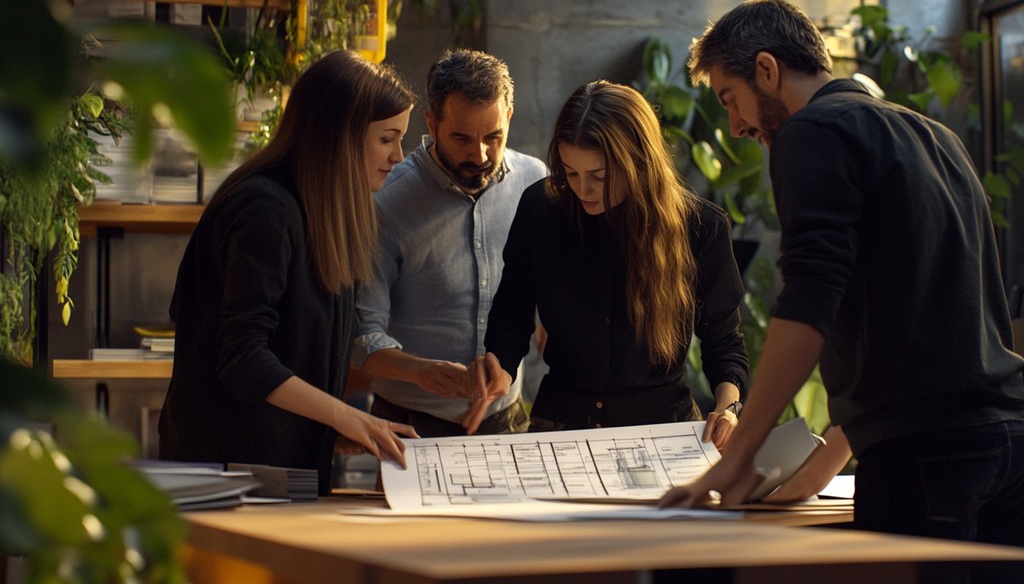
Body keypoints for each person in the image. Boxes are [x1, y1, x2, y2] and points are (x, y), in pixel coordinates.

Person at [658, 0, 1024, 584]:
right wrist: (829, 457)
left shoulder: (813, 132)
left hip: (924, 461)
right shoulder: (936, 137)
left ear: (768, 70)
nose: (735, 127)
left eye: (731, 98)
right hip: (1006, 443)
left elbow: (810, 297)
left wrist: (738, 454)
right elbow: (931, 319)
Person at [159, 50, 419, 495]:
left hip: (281, 475)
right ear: (340, 134)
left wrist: (332, 429)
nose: (398, 155)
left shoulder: (321, 210)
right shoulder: (266, 208)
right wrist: (349, 416)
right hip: (228, 480)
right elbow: (243, 360)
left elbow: (299, 348)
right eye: (387, 139)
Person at [465, 80, 749, 447]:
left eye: (599, 176)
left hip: (661, 430)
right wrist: (500, 367)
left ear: (638, 163)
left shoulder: (701, 228)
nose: (583, 190)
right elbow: (512, 311)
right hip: (561, 426)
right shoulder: (542, 207)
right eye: (570, 173)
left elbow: (723, 342)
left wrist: (728, 408)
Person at [353, 49, 548, 436]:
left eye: (493, 137)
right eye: (461, 138)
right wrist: (422, 371)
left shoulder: (534, 180)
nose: (479, 154)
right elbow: (360, 334)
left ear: (509, 117)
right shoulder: (384, 202)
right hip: (409, 423)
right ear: (431, 123)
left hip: (507, 418)